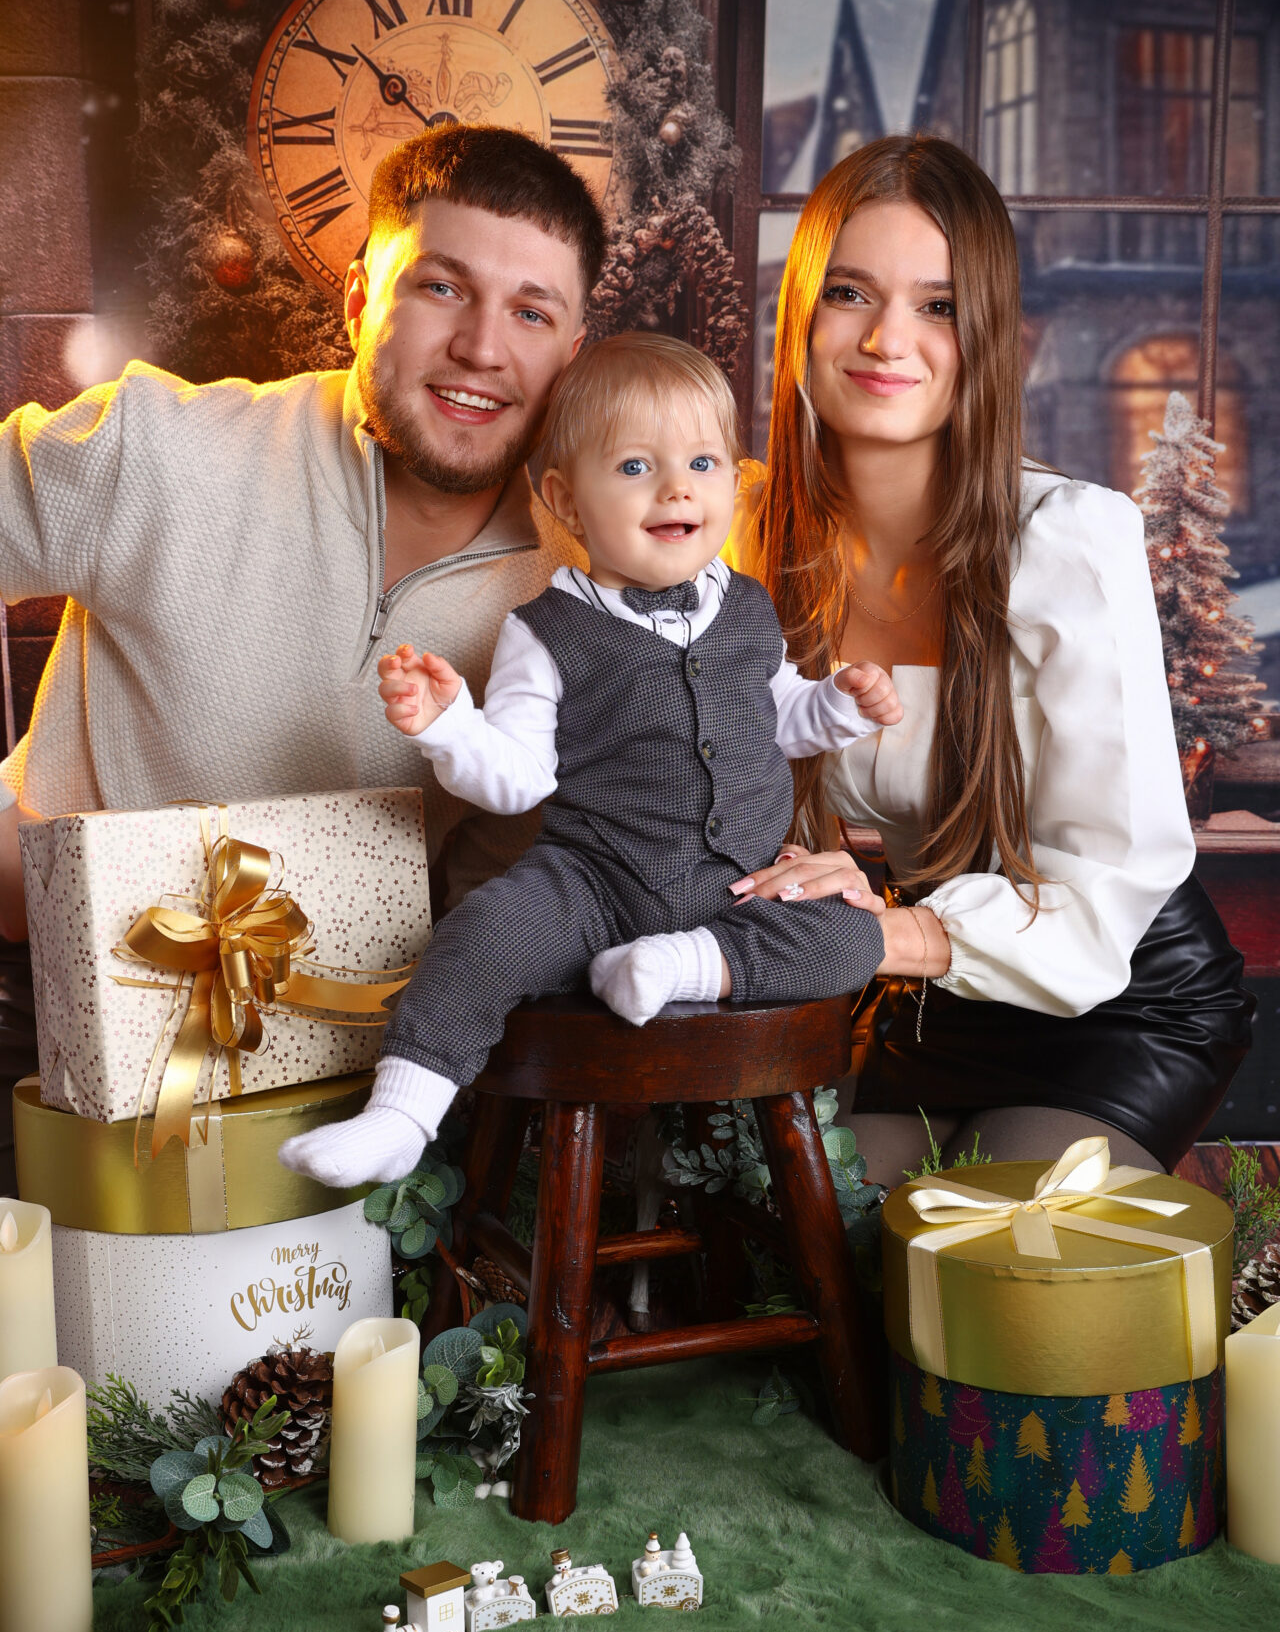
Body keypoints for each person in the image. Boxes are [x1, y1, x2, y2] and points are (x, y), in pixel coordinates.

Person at [0, 125, 604, 1188]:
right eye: (442, 288)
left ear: (570, 350)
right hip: (45, 1037)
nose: (481, 347)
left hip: (351, 1085)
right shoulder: (158, 451)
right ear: (359, 297)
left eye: (529, 311)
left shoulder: (579, 593)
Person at [730, 134, 1252, 1183]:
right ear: (797, 317)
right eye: (848, 292)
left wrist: (879, 936)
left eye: (936, 305)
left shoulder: (1064, 539)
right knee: (820, 1243)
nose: (887, 338)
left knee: (990, 1259)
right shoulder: (741, 537)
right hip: (936, 998)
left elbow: (1108, 887)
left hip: (1121, 992)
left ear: (990, 340)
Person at [278, 334, 900, 1188]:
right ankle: (398, 1115)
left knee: (851, 937)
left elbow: (775, 712)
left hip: (742, 890)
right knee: (481, 935)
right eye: (637, 467)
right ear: (567, 501)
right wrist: (450, 722)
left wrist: (836, 705)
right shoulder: (549, 629)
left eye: (703, 461)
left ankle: (681, 966)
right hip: (593, 884)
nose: (679, 486)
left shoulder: (748, 606)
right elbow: (519, 776)